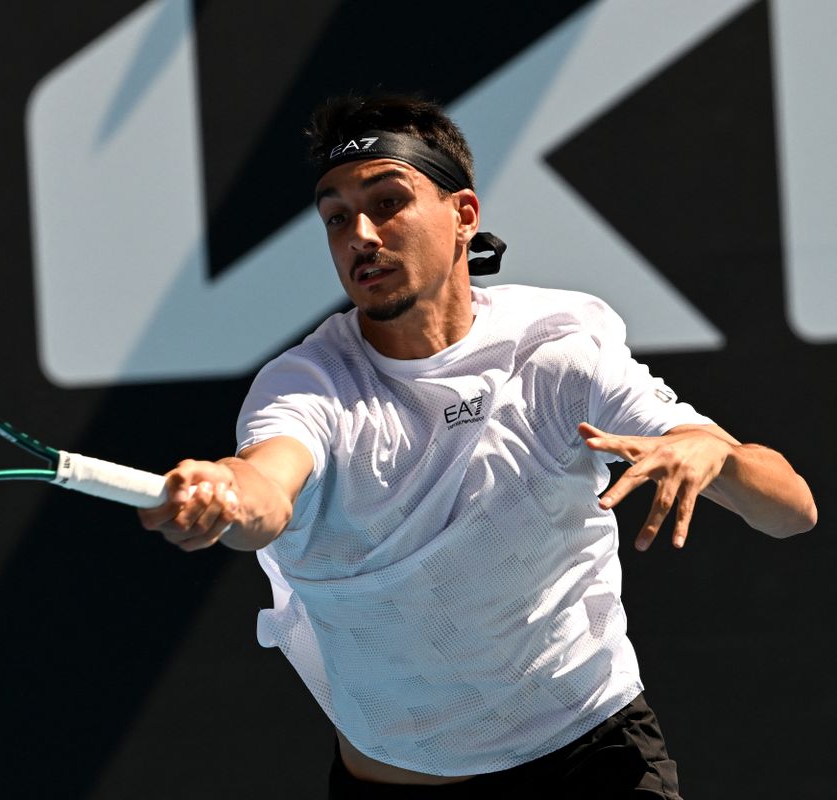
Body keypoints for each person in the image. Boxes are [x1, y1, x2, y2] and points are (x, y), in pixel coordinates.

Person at [137, 91, 817, 798]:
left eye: (387, 202)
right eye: (337, 218)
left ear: (463, 216)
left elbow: (791, 510)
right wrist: (224, 489)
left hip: (597, 763)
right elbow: (266, 489)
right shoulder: (309, 385)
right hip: (399, 784)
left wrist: (718, 455)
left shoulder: (557, 351)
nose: (359, 235)